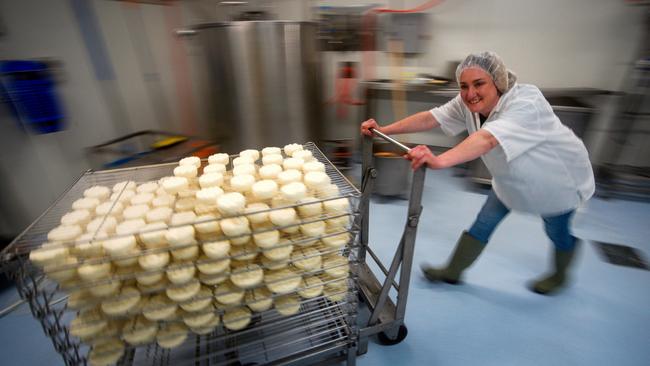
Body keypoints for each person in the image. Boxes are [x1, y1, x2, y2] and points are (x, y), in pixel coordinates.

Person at [360, 51, 595, 295]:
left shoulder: (527, 102)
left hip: (554, 181)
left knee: (556, 230)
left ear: (498, 82)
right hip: (510, 178)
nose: (470, 93)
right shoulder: (469, 104)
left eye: (479, 84)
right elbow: (432, 118)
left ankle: (560, 274)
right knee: (484, 222)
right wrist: (384, 129)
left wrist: (439, 161)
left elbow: (487, 139)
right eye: (464, 86)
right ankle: (453, 271)